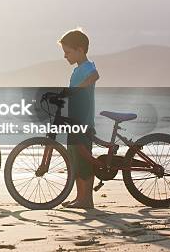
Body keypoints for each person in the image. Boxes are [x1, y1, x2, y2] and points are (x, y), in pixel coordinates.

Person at [59, 28, 99, 209]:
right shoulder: (77, 70)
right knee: (74, 159)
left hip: (83, 122)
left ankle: (87, 199)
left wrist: (78, 90)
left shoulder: (88, 67)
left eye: (68, 52)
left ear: (80, 50)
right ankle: (79, 197)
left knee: (84, 161)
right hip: (73, 122)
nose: (65, 56)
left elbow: (94, 76)